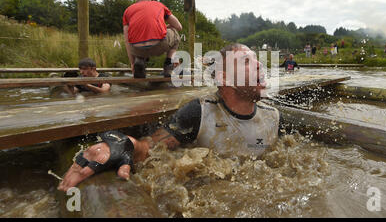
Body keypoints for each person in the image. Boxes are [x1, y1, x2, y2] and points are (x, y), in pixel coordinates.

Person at [57, 43, 285, 192]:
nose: (260, 65)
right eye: (247, 61)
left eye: (257, 59)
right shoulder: (198, 113)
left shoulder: (273, 116)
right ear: (224, 78)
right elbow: (151, 148)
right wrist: (125, 144)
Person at [123, 0, 183, 78]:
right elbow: (179, 26)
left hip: (137, 49)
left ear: (136, 1)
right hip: (160, 44)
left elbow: (126, 40)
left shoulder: (127, 11)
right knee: (175, 33)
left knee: (135, 37)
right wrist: (166, 27)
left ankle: (139, 62)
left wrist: (132, 63)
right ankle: (168, 65)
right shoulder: (158, 5)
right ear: (149, 0)